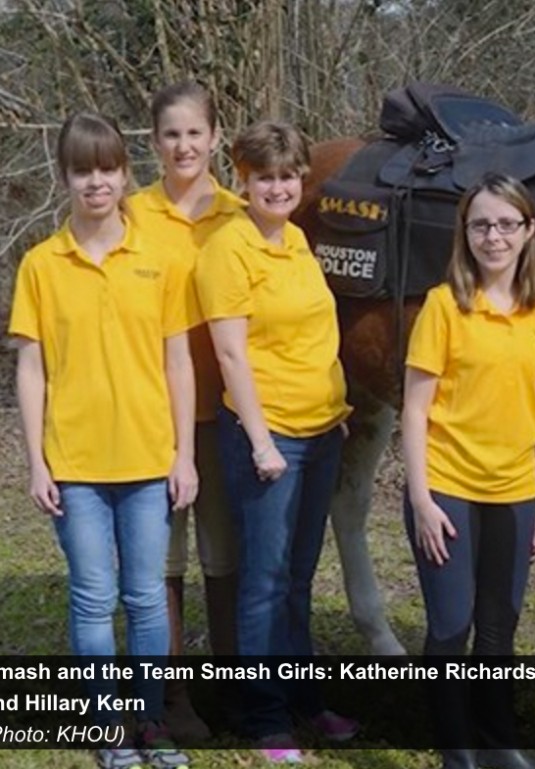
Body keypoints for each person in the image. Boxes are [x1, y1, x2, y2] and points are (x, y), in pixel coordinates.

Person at [9, 111, 196, 769]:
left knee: (146, 597)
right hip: (75, 465)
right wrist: (35, 462)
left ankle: (151, 724)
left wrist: (185, 455)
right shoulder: (40, 265)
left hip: (149, 460)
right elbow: (29, 369)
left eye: (108, 168)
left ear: (124, 173)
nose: (96, 182)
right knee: (93, 598)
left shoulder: (160, 258)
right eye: (83, 170)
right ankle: (107, 729)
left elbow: (180, 361)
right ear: (65, 177)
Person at [194, 119, 359, 764]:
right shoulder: (227, 249)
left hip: (322, 429)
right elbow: (232, 355)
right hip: (269, 436)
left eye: (290, 175)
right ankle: (263, 716)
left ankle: (304, 697)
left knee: (297, 576)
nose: (279, 186)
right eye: (266, 176)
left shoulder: (295, 241)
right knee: (262, 580)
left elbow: (312, 337)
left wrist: (336, 405)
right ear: (244, 177)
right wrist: (262, 442)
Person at [401, 173, 535, 769]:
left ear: (528, 231)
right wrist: (420, 498)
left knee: (499, 629)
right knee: (451, 627)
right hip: (446, 488)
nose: (493, 236)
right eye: (481, 225)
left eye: (506, 224)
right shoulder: (444, 306)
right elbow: (415, 408)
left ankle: (499, 745)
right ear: (464, 233)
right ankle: (456, 751)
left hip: (516, 492)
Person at [127, 81, 244, 741]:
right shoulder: (129, 212)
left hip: (223, 414)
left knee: (224, 554)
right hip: (153, 414)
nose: (184, 145)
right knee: (162, 558)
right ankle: (173, 696)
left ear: (215, 137)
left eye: (195, 132)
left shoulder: (238, 212)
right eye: (171, 134)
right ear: (154, 141)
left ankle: (228, 688)